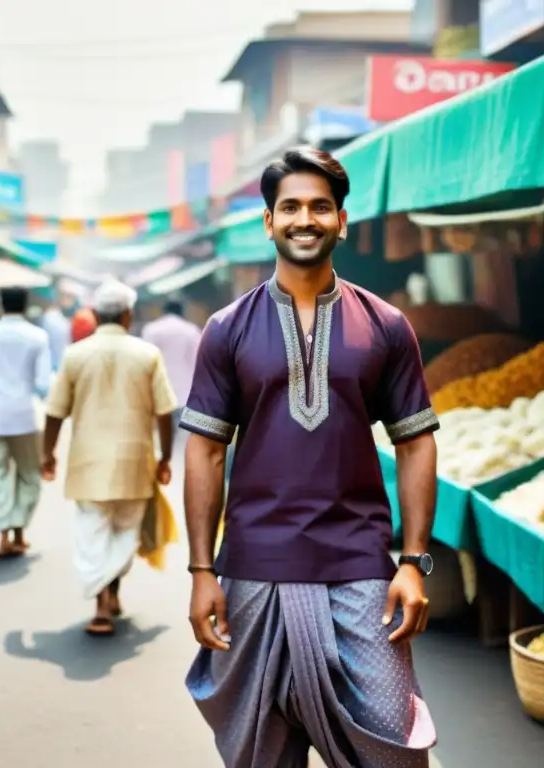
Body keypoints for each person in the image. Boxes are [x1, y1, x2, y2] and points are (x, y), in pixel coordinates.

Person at [181, 148, 439, 766]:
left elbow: (416, 440)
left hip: (360, 568)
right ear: (268, 222)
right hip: (253, 572)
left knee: (395, 754)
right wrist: (200, 573)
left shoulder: (386, 325)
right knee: (264, 754)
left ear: (341, 221)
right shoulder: (227, 328)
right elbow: (206, 451)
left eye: (320, 207)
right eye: (290, 206)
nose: (305, 218)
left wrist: (413, 562)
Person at [42, 280, 177, 637]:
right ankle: (107, 599)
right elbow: (166, 411)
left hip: (87, 463)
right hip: (135, 462)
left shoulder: (75, 355)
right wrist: (164, 457)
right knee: (123, 533)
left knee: (94, 535)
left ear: (97, 314)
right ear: (128, 315)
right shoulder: (147, 354)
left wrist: (47, 454)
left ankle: (104, 598)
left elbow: (55, 412)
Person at [0, 287, 52, 557]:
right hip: (27, 416)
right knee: (30, 475)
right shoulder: (38, 337)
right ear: (26, 305)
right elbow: (42, 385)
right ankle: (19, 531)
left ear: (0, 305)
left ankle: (4, 535)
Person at [141, 299, 202, 429]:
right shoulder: (191, 330)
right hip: (185, 392)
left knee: (162, 433)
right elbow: (198, 360)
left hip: (158, 390)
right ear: (182, 312)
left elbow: (145, 360)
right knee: (183, 436)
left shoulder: (151, 329)